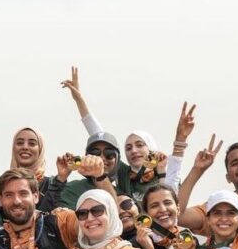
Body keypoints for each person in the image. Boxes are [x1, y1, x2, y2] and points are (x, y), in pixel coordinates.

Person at [61, 67, 193, 203]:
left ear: (151, 149)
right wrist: (79, 100)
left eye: (140, 145)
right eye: (128, 148)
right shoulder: (125, 174)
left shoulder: (165, 173)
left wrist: (178, 144)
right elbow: (100, 137)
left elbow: (170, 202)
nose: (134, 151)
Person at [179, 141, 238, 231]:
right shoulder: (219, 207)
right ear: (228, 178)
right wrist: (197, 170)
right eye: (234, 163)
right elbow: (177, 216)